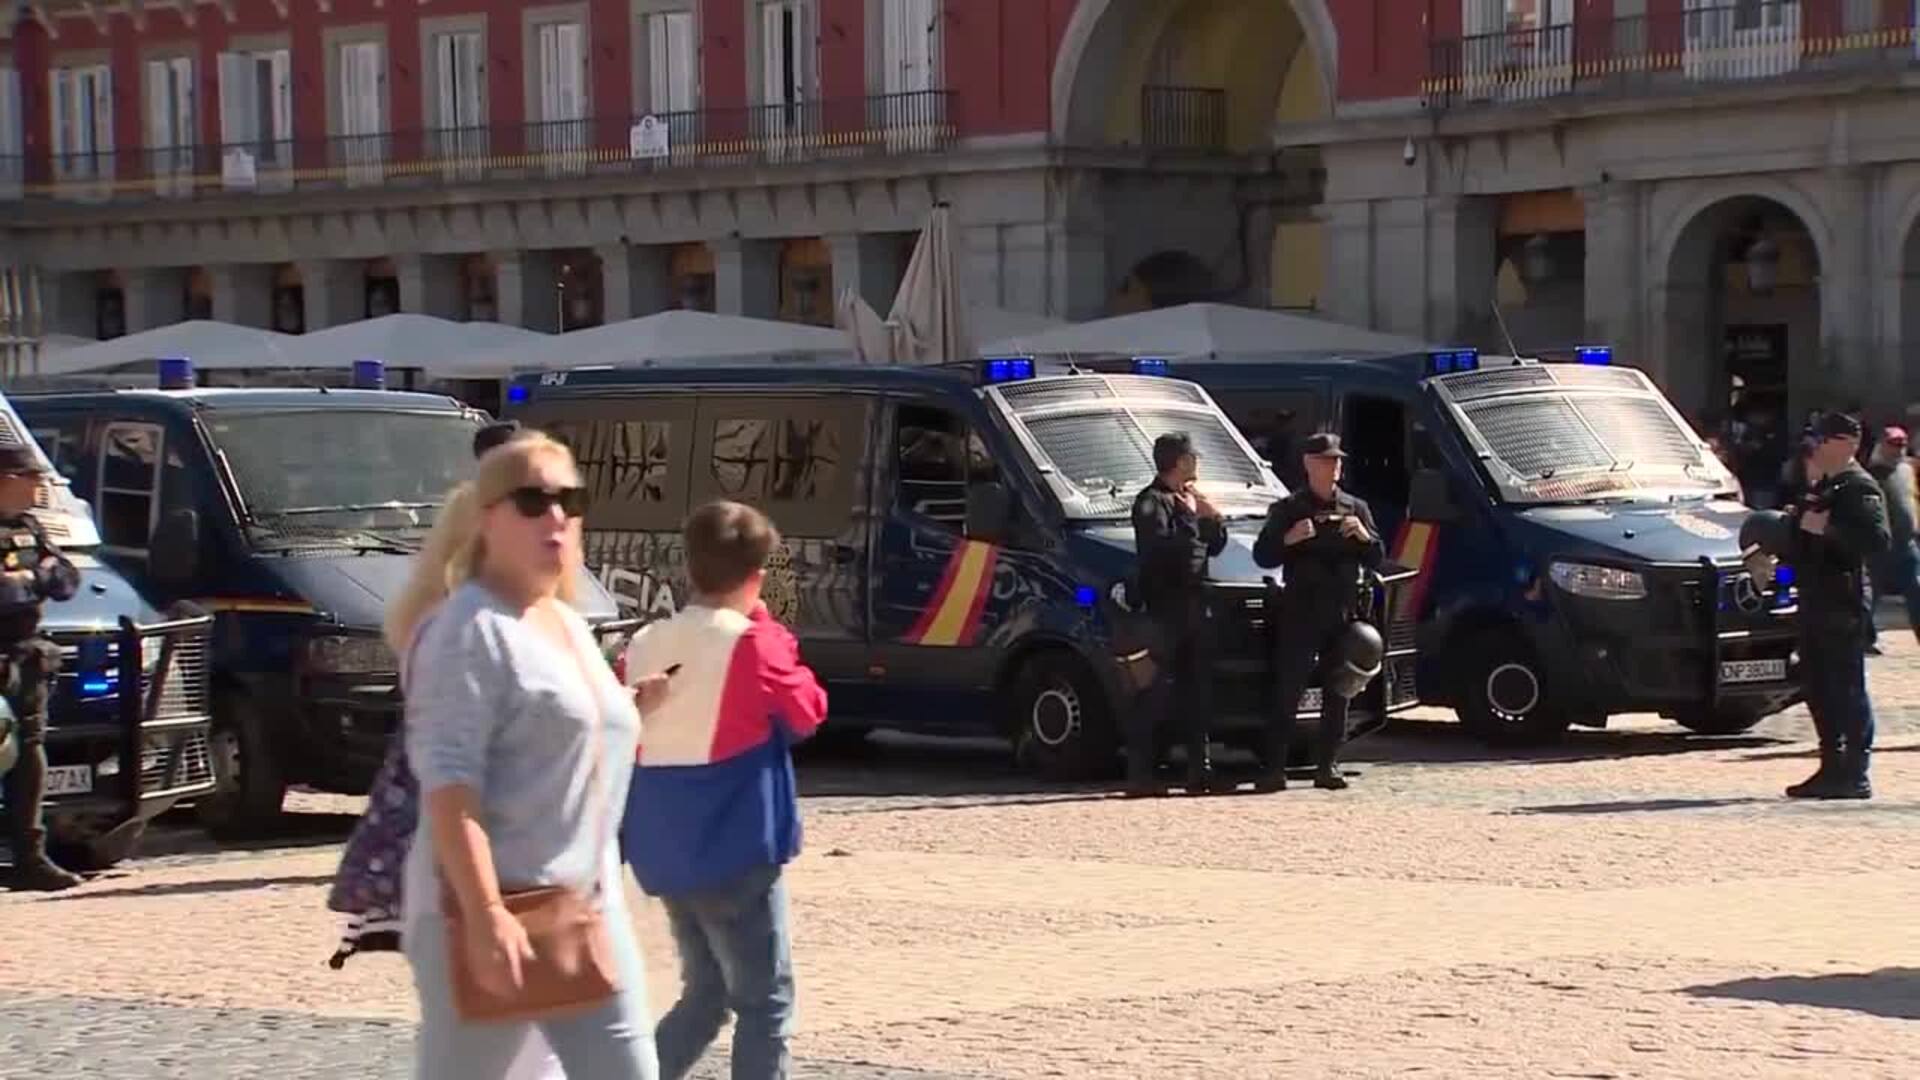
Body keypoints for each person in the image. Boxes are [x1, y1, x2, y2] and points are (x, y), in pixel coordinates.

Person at [386, 434, 659, 1079]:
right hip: (494, 909)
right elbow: (450, 787)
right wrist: (486, 915)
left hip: (584, 906)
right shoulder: (468, 629)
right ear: (487, 517)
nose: (557, 515)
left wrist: (631, 709)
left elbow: (565, 731)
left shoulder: (564, 621)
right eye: (533, 500)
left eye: (571, 499)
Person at [620, 500, 827, 1080]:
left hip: (666, 849)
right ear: (758, 575)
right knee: (766, 1003)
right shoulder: (752, 643)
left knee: (706, 994)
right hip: (734, 845)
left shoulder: (643, 643)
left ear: (690, 568)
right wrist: (767, 630)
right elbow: (807, 711)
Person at [1251, 433, 1384, 793]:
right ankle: (1274, 769)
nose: (1334, 467)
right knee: (1288, 690)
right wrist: (1289, 539)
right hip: (1300, 611)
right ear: (1309, 464)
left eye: (1337, 461)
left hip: (1341, 612)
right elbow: (1263, 556)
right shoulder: (1289, 508)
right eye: (1326, 461)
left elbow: (1378, 558)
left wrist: (1365, 538)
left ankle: (1328, 765)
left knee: (1339, 692)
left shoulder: (1355, 507)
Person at [1784, 412, 1890, 801]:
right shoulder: (1826, 484)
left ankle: (1855, 772)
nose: (1816, 449)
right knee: (1817, 684)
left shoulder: (1860, 487)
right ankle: (1831, 764)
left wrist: (1826, 531)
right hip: (1816, 597)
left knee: (1846, 688)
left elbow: (1877, 542)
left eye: (1823, 442)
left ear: (1846, 444)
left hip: (1842, 603)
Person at [0, 445, 83, 891]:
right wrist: (32, 581)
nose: (38, 489)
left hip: (25, 656)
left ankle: (30, 858)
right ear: (6, 478)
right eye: (30, 479)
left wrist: (29, 581)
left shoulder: (30, 529)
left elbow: (67, 579)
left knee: (29, 755)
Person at [1128, 432, 1228, 795]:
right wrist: (1191, 520)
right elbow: (1160, 552)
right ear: (1179, 461)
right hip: (1164, 610)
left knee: (1197, 691)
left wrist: (1211, 518)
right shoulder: (1151, 502)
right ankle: (1141, 773)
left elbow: (1214, 546)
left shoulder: (1190, 499)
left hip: (1196, 606)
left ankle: (1199, 771)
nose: (1197, 463)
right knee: (1153, 692)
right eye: (1192, 457)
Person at [1867, 426, 1920, 646]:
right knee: (1872, 594)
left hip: (1908, 543)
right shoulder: (1873, 473)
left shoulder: (1907, 469)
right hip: (1882, 544)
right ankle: (1865, 637)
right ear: (1882, 445)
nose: (1898, 449)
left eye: (1902, 444)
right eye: (1893, 444)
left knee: (1916, 590)